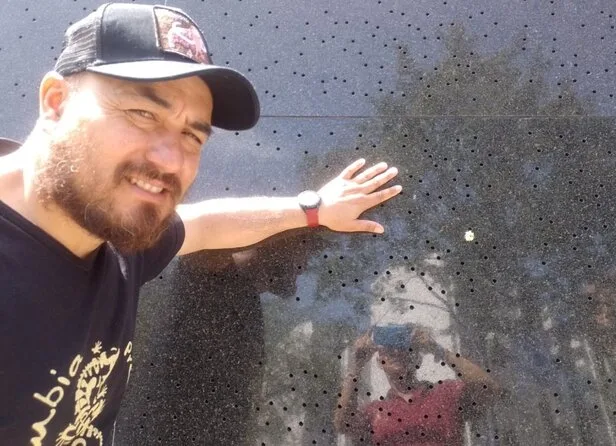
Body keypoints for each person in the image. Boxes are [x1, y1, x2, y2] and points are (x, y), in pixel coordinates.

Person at [0, 3, 402, 445]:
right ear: (56, 103)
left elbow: (203, 224)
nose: (170, 160)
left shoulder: (115, 241)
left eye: (192, 135)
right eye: (142, 114)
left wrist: (313, 209)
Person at [334, 325, 501, 445]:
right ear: (379, 361)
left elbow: (488, 388)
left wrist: (438, 350)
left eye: (404, 347)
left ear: (417, 358)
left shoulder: (446, 394)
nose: (396, 351)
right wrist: (357, 366)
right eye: (388, 348)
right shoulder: (376, 412)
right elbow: (342, 424)